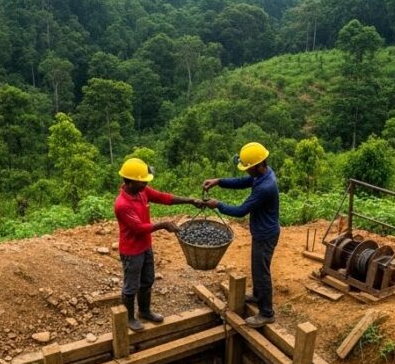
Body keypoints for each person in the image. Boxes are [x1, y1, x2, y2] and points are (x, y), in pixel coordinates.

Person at [115, 158, 202, 331]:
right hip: (131, 251)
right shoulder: (122, 205)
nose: (146, 183)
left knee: (147, 280)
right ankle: (129, 318)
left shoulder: (142, 192)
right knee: (131, 285)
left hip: (146, 246)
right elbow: (139, 228)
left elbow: (164, 198)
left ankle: (145, 311)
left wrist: (190, 200)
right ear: (130, 182)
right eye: (143, 180)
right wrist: (162, 225)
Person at [202, 142, 280, 328]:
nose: (246, 171)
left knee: (262, 272)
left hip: (265, 234)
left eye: (247, 167)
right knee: (257, 267)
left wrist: (218, 204)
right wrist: (219, 181)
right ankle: (258, 296)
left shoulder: (265, 187)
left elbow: (241, 211)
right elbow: (241, 182)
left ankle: (267, 313)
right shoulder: (263, 174)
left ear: (257, 165)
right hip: (262, 231)